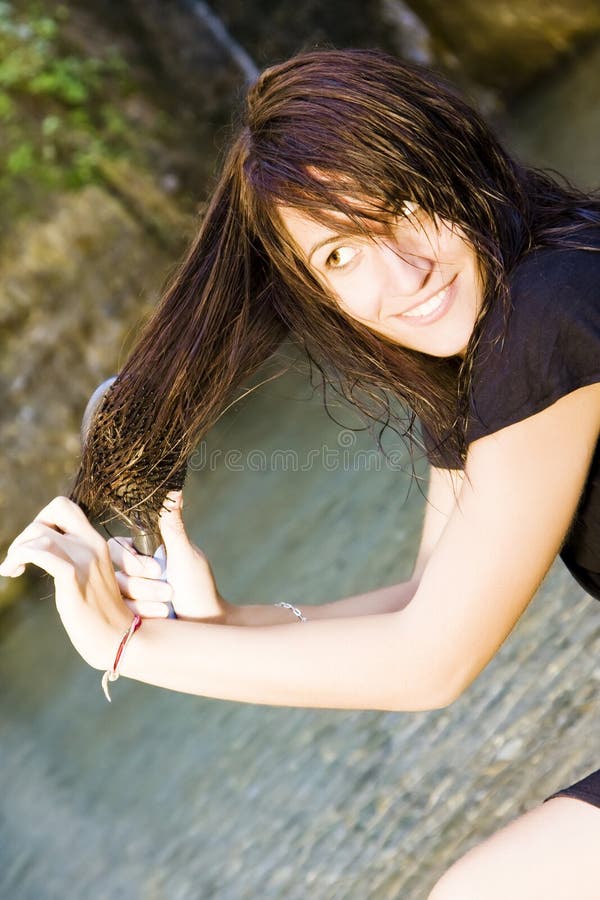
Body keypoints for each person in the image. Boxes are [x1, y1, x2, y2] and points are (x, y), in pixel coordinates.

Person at [1, 48, 599, 898]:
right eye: (341, 258)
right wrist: (226, 620)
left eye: (405, 205)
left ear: (455, 160)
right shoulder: (499, 317)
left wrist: (124, 643)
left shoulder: (547, 315)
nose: (403, 275)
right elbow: (425, 593)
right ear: (317, 294)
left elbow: (430, 663)